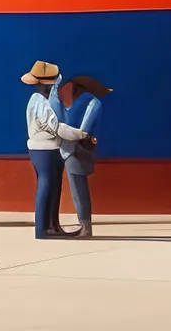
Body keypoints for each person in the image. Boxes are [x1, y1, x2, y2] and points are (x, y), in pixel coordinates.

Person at [22, 60, 92, 239]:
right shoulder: (40, 102)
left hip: (51, 149)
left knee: (54, 187)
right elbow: (56, 126)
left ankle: (53, 226)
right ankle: (42, 229)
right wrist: (80, 134)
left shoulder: (43, 100)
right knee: (46, 185)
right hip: (44, 150)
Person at [51, 75, 111, 239]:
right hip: (80, 148)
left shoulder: (87, 103)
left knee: (79, 189)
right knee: (78, 188)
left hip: (75, 148)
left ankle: (85, 228)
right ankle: (84, 225)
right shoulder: (90, 103)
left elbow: (82, 129)